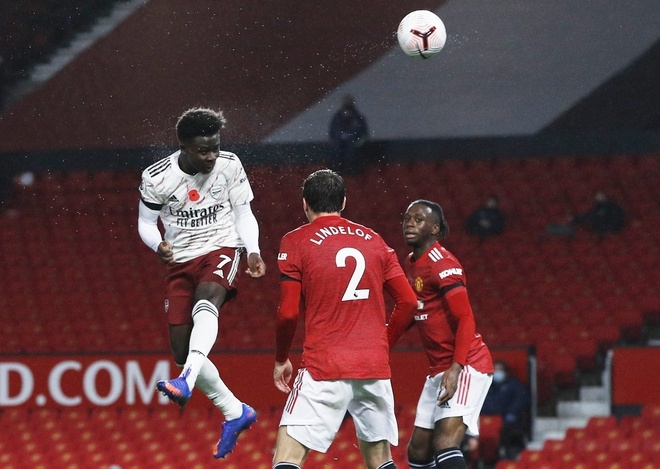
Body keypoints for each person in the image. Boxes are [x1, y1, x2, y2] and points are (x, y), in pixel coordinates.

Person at [137, 107, 266, 459]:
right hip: (180, 261)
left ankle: (186, 381)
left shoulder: (229, 164)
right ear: (184, 146)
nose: (211, 156)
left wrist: (252, 249)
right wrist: (157, 244)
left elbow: (243, 212)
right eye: (203, 150)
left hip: (222, 246)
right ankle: (235, 411)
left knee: (207, 300)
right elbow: (146, 224)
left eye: (215, 147)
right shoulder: (157, 177)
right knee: (181, 349)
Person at [272, 169, 418, 469]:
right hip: (373, 367)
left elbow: (288, 312)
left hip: (324, 365)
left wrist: (281, 358)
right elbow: (409, 302)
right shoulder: (374, 240)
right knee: (379, 459)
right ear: (344, 201)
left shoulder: (295, 241)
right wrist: (381, 344)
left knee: (287, 456)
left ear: (304, 204)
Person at [388, 200, 494, 469]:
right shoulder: (411, 263)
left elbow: (466, 318)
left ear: (435, 228)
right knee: (418, 452)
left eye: (418, 219)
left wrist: (456, 367)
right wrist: (381, 345)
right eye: (407, 218)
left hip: (467, 363)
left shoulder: (443, 263)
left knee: (445, 443)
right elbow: (413, 311)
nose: (409, 223)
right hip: (439, 368)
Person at [481, 360, 530, 461]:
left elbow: (520, 400)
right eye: (496, 370)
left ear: (506, 371)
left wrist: (511, 412)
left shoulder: (514, 384)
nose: (497, 372)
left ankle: (507, 454)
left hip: (506, 418)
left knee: (510, 432)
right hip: (487, 418)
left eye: (500, 370)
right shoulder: (487, 385)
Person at [329, 94, 369, 174]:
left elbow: (364, 133)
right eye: (345, 101)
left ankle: (352, 171)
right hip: (339, 151)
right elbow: (333, 132)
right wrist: (336, 140)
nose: (347, 103)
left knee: (352, 154)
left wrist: (358, 143)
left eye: (349, 101)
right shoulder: (337, 117)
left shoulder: (358, 118)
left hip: (354, 152)